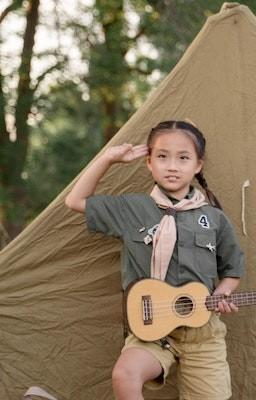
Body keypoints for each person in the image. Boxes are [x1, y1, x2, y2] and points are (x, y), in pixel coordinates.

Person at [65, 120, 245, 400]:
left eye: (183, 158)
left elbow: (233, 267)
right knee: (124, 374)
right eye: (162, 157)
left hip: (203, 335)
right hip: (149, 330)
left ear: (198, 165)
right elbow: (75, 201)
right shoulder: (131, 209)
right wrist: (108, 159)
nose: (172, 166)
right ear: (149, 162)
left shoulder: (214, 218)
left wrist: (222, 294)